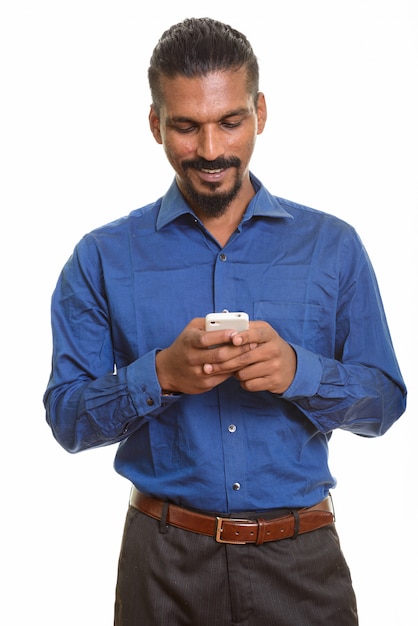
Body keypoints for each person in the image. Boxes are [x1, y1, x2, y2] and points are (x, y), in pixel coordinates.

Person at [44, 17, 407, 626]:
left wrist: (301, 371)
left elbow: (384, 404)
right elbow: (67, 418)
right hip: (161, 565)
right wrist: (161, 374)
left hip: (302, 564)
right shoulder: (101, 256)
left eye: (229, 122)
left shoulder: (333, 246)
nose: (210, 150)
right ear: (155, 123)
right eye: (186, 126)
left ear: (260, 112)